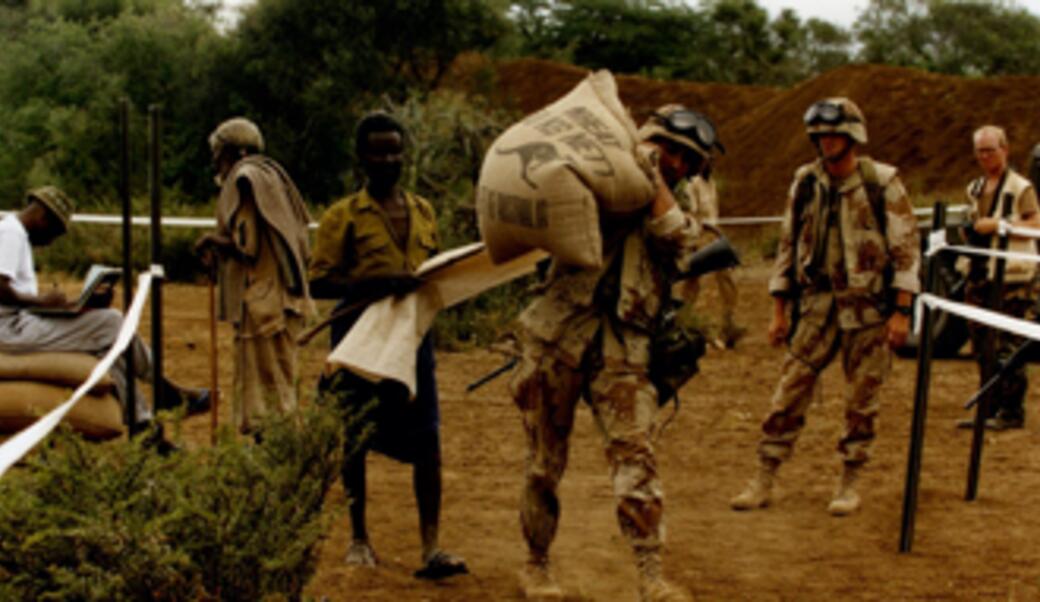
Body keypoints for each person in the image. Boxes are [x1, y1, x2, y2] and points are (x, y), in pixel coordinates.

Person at [508, 105, 724, 602]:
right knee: (543, 463)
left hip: (624, 344)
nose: (674, 162)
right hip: (558, 334)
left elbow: (681, 241)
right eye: (668, 150)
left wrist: (652, 183)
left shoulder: (674, 199)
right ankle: (536, 565)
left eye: (685, 158)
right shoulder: (598, 170)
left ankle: (651, 576)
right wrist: (629, 168)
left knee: (636, 457)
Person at [730, 97, 920, 516]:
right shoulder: (806, 182)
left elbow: (905, 250)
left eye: (834, 134)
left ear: (853, 136)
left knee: (861, 400)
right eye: (820, 135)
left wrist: (901, 311)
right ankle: (764, 475)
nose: (826, 141)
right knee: (789, 390)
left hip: (868, 310)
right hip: (816, 306)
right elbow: (787, 244)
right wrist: (779, 309)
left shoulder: (882, 182)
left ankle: (849, 480)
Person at [308, 111, 467, 580]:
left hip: (414, 345)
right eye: (378, 152)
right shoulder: (342, 216)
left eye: (395, 151)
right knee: (355, 440)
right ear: (361, 157)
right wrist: (379, 281)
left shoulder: (423, 211)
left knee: (428, 439)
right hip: (360, 344)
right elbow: (320, 285)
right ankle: (359, 538)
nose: (388, 160)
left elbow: (433, 271)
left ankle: (431, 547)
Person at [0, 186, 206, 448]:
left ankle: (145, 430)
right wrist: (40, 301)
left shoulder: (14, 234)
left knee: (106, 346)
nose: (52, 242)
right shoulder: (10, 234)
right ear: (42, 217)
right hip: (8, 330)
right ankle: (164, 389)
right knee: (111, 323)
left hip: (18, 322)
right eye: (55, 233)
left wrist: (77, 306)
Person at [195, 117, 313, 436]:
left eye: (218, 155)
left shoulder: (245, 179)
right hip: (281, 301)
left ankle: (275, 468)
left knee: (266, 398)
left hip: (264, 305)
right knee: (277, 387)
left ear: (233, 152)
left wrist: (211, 241)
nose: (215, 164)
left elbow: (247, 244)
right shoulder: (274, 177)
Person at [956, 125, 1040, 430]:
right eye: (980, 151)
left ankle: (1011, 410)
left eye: (990, 150)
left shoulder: (1020, 187)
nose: (985, 156)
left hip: (1014, 274)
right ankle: (989, 407)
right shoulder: (975, 188)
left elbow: (1035, 222)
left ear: (1004, 150)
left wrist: (1001, 225)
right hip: (981, 272)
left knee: (1010, 345)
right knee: (982, 344)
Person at [674, 163, 744, 349]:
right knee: (692, 283)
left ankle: (728, 324)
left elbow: (715, 213)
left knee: (727, 279)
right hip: (700, 238)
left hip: (714, 237)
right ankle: (682, 323)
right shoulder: (692, 184)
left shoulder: (710, 183)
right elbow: (693, 214)